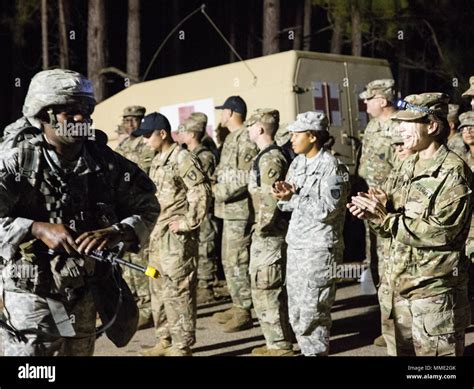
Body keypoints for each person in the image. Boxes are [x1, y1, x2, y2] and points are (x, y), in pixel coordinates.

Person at [0, 69, 160, 356]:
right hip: (32, 291)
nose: (81, 118)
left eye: (86, 110)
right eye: (70, 112)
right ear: (45, 115)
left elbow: (146, 205)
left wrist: (120, 231)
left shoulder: (104, 161)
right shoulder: (16, 162)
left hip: (84, 289)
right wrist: (35, 228)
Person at [348, 93, 472, 356]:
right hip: (399, 287)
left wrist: (386, 218)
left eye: (409, 121)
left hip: (432, 295)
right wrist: (376, 209)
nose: (400, 128)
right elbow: (393, 220)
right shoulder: (408, 164)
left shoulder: (452, 171)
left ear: (432, 126)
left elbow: (442, 233)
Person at [273, 112, 349, 356]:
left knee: (313, 311)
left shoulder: (333, 167)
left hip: (319, 248)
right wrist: (283, 196)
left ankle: (315, 353)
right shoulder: (298, 163)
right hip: (297, 245)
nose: (291, 139)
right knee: (296, 311)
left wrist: (294, 197)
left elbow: (328, 210)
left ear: (312, 136)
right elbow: (286, 205)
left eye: (296, 134)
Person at [137, 112, 211, 356]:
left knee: (178, 290)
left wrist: (188, 223)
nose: (145, 140)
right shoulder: (159, 160)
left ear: (162, 133)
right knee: (157, 286)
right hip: (157, 237)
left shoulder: (183, 158)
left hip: (175, 239)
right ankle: (165, 339)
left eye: (148, 135)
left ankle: (181, 345)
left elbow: (200, 191)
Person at [246, 108, 293, 356]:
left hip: (270, 233)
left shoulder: (270, 159)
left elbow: (269, 199)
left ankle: (279, 345)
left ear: (260, 128)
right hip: (270, 231)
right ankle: (277, 340)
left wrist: (261, 229)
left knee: (266, 286)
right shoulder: (265, 156)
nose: (248, 130)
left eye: (250, 125)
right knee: (268, 285)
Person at [212, 96, 259, 332]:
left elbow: (245, 175)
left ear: (231, 113)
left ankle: (244, 310)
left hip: (240, 210)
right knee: (228, 260)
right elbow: (226, 170)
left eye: (223, 111)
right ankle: (237, 302)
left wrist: (217, 191)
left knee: (237, 260)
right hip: (228, 211)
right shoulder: (231, 138)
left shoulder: (246, 139)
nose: (220, 115)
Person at [358, 79, 399, 347]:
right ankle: (386, 326)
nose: (365, 103)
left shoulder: (400, 127)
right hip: (370, 207)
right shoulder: (373, 126)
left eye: (369, 99)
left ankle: (398, 331)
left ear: (382, 101)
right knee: (376, 265)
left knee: (392, 268)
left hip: (390, 207)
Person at [114, 105, 155, 329]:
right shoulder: (122, 146)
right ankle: (134, 305)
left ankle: (148, 306)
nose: (130, 124)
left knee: (141, 258)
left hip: (141, 209)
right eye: (127, 119)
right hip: (124, 210)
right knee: (127, 260)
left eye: (135, 120)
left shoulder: (146, 145)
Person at [375, 127, 414, 356]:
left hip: (411, 258)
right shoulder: (395, 172)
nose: (399, 149)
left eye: (403, 144)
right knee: (390, 316)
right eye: (395, 146)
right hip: (391, 254)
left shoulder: (424, 172)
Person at [177, 115, 219, 304]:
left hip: (205, 211)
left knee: (205, 246)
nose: (180, 135)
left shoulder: (204, 156)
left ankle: (206, 286)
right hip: (192, 209)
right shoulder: (189, 154)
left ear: (192, 134)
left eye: (184, 131)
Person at [458, 111, 474, 312]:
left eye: (472, 127)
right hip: (466, 225)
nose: (469, 131)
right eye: (465, 128)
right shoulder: (460, 159)